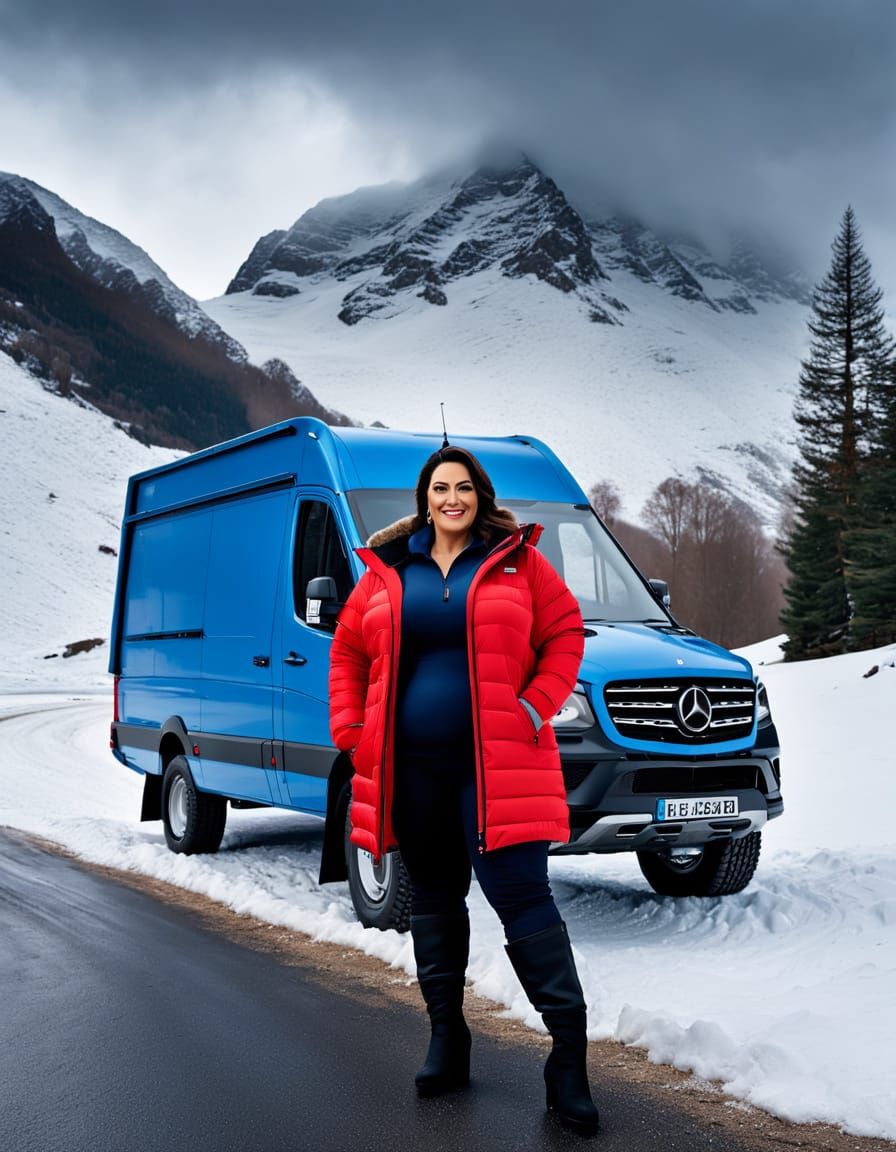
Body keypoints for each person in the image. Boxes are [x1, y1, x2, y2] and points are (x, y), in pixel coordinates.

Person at [328, 444, 599, 1137]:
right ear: (424, 499)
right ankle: (447, 1037)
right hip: (413, 769)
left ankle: (569, 1059)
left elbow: (566, 631)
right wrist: (351, 729)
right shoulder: (389, 572)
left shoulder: (518, 562)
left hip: (499, 767)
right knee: (437, 898)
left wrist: (536, 705)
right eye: (440, 488)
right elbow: (350, 650)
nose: (453, 498)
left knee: (524, 900)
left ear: (480, 495)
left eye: (464, 487)